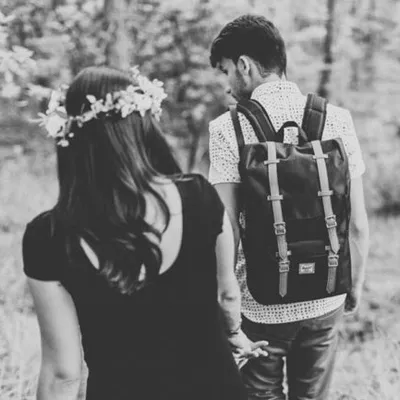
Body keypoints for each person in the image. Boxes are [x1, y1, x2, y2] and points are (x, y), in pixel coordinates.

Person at [22, 66, 268, 400]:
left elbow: (63, 374)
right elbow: (228, 295)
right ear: (144, 126)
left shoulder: (48, 237)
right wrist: (234, 332)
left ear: (69, 137)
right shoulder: (199, 197)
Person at [208, 14, 369, 400]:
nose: (227, 85)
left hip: (259, 303)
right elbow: (358, 224)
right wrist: (352, 287)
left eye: (226, 71)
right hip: (326, 295)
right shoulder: (337, 120)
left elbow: (225, 229)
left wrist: (227, 310)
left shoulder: (227, 129)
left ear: (244, 65)